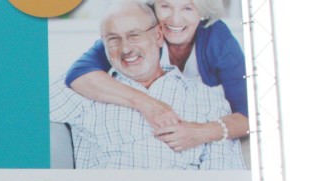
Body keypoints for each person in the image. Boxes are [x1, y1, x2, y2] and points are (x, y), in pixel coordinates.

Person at [50, 0, 245, 170]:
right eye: (165, 5)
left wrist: (200, 132)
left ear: (158, 36)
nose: (126, 48)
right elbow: (33, 109)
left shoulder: (208, 96)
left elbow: (249, 119)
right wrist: (149, 104)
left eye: (188, 7)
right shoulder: (89, 85)